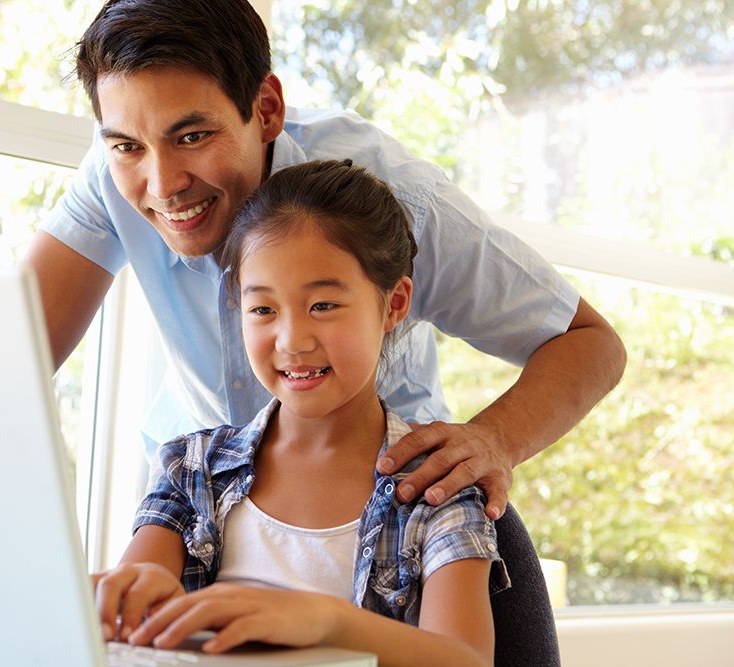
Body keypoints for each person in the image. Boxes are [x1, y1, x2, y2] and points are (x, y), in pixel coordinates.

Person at [24, 0, 626, 663]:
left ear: (266, 109)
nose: (162, 183)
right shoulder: (191, 475)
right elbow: (8, 359)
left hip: (401, 508)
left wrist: (493, 439)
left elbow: (590, 342)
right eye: (261, 308)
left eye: (192, 136)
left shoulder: (394, 201)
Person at [93, 159, 509, 666]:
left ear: (395, 303)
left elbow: (467, 659)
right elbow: (136, 602)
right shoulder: (192, 468)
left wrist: (327, 622)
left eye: (323, 306)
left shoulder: (436, 489)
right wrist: (128, 597)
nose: (291, 341)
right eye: (263, 310)